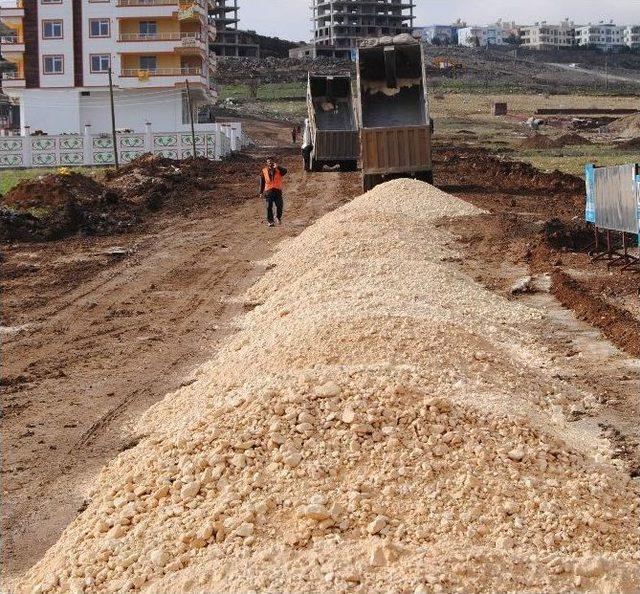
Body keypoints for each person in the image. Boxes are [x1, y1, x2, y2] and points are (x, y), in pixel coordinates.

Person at [259, 157, 287, 227]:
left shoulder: (279, 170)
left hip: (277, 192)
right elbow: (262, 182)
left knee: (279, 206)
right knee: (269, 207)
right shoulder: (264, 171)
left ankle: (278, 217)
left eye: (271, 162)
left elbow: (285, 171)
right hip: (269, 192)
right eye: (268, 162)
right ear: (267, 163)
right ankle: (270, 221)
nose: (270, 163)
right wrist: (261, 192)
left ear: (274, 162)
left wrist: (278, 167)